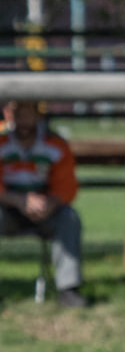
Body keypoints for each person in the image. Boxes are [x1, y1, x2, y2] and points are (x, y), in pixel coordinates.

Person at [0, 100, 88, 307]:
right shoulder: (2, 142)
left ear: (38, 116)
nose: (23, 120)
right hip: (7, 209)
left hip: (46, 210)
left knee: (69, 218)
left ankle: (68, 289)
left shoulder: (55, 144)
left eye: (28, 113)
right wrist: (18, 201)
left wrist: (49, 203)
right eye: (17, 114)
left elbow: (66, 186)